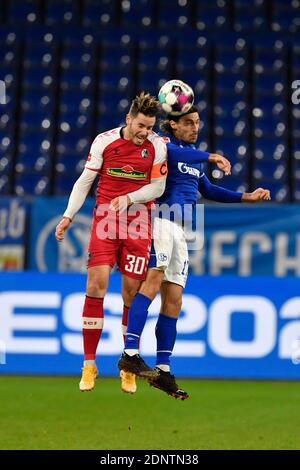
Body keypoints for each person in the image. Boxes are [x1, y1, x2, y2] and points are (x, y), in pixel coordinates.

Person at [118, 105, 271, 399]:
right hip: (160, 219)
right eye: (188, 123)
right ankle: (130, 352)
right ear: (172, 125)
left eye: (198, 123)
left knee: (174, 299)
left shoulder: (194, 159)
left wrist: (246, 196)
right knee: (152, 282)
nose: (195, 128)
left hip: (181, 231)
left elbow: (210, 190)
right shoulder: (164, 146)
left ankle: (163, 370)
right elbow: (177, 155)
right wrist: (209, 155)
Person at [55, 92, 170, 392]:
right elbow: (85, 181)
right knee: (96, 285)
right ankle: (89, 364)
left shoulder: (156, 146)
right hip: (106, 221)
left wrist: (130, 197)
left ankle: (127, 363)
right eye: (141, 125)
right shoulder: (104, 141)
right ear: (129, 119)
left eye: (150, 127)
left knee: (131, 295)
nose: (145, 132)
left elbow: (158, 187)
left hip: (138, 225)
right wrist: (68, 215)